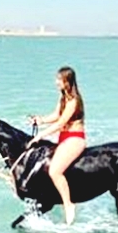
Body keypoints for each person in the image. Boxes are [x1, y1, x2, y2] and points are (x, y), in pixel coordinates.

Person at [29, 66, 87, 224]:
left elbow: (62, 122)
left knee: (55, 171)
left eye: (59, 80)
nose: (56, 82)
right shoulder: (63, 98)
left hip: (75, 138)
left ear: (67, 81)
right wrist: (40, 120)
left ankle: (69, 205)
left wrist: (40, 135)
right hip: (64, 138)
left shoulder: (74, 100)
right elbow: (56, 115)